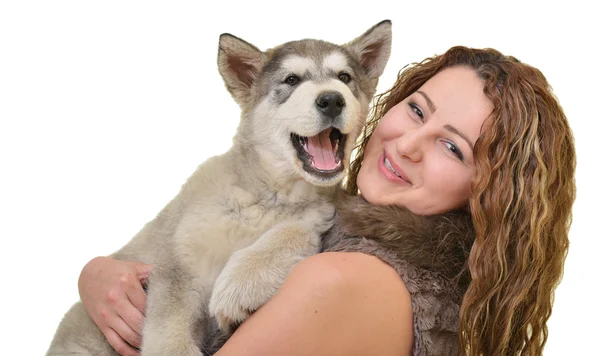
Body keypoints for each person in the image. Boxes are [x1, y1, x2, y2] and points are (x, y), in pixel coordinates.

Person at [76, 46, 576, 355]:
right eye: (417, 110)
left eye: (452, 147)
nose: (407, 145)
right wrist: (102, 278)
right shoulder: (372, 247)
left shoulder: (345, 279)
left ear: (489, 191)